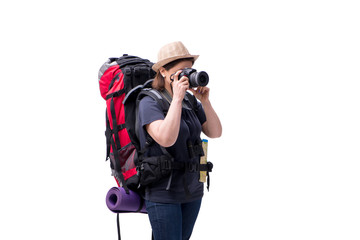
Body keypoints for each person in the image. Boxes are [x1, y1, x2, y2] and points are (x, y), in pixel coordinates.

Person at [137, 41, 222, 240]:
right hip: (163, 193)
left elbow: (215, 132)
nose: (187, 76)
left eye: (189, 71)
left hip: (192, 191)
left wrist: (205, 102)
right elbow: (166, 139)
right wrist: (175, 99)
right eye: (181, 71)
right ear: (164, 72)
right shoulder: (149, 101)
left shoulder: (190, 101)